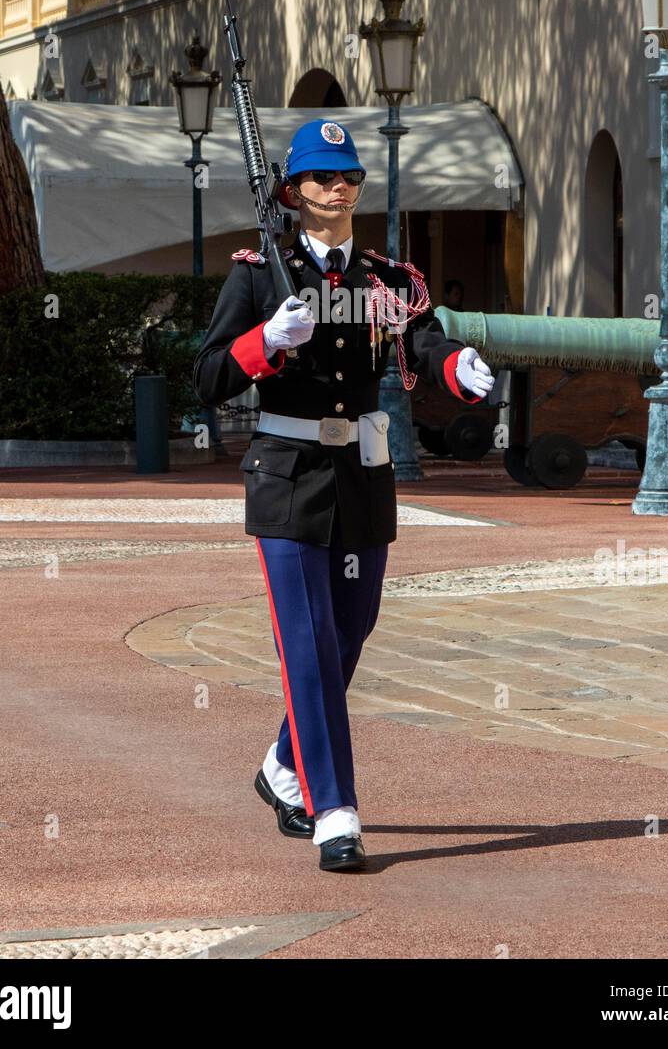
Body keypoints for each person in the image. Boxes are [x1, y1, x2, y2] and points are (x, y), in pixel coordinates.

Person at [192, 119, 495, 872]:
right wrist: (267, 340)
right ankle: (335, 810)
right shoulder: (258, 273)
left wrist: (457, 365)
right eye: (324, 177)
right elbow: (206, 376)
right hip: (287, 479)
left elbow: (423, 339)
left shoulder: (385, 280)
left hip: (361, 476)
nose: (340, 186)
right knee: (309, 644)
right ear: (293, 193)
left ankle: (281, 764)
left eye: (349, 176)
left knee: (351, 629)